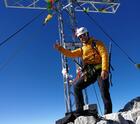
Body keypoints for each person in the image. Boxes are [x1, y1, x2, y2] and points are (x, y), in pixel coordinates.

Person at [54, 27, 112, 115]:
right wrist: (60, 49)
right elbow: (71, 54)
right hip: (90, 72)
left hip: (100, 70)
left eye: (83, 35)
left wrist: (105, 69)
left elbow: (104, 55)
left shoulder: (97, 43)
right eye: (80, 36)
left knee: (104, 90)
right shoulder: (82, 49)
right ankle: (80, 110)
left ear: (87, 34)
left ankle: (108, 113)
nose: (82, 37)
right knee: (77, 86)